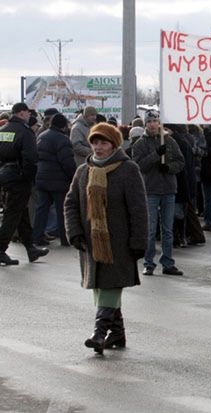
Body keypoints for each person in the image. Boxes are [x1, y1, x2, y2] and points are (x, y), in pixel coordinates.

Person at [64, 123, 148, 354]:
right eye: (94, 142)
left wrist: (139, 241)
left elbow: (138, 209)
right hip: (91, 242)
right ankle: (117, 333)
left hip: (118, 243)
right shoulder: (84, 170)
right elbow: (70, 203)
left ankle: (99, 333)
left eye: (104, 143)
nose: (98, 147)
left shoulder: (128, 169)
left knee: (110, 286)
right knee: (100, 287)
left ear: (114, 144)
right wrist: (75, 232)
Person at [132, 110, 185, 276]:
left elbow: (180, 161)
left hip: (168, 189)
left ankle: (168, 262)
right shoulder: (140, 144)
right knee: (150, 230)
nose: (153, 124)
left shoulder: (169, 141)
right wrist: (156, 155)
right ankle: (149, 263)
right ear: (145, 124)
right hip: (151, 191)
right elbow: (139, 165)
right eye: (149, 122)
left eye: (155, 121)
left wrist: (169, 168)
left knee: (167, 230)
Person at [0, 102, 49, 265]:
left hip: (5, 175)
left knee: (21, 213)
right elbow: (30, 158)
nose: (29, 115)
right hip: (19, 177)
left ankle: (30, 248)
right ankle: (0, 249)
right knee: (13, 213)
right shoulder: (25, 131)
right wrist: (28, 176)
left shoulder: (3, 130)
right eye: (28, 113)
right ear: (21, 113)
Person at [32, 113, 76, 246]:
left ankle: (37, 236)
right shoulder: (62, 139)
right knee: (62, 210)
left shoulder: (42, 136)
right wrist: (73, 177)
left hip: (41, 178)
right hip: (58, 181)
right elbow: (67, 162)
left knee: (41, 209)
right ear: (63, 125)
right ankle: (65, 238)